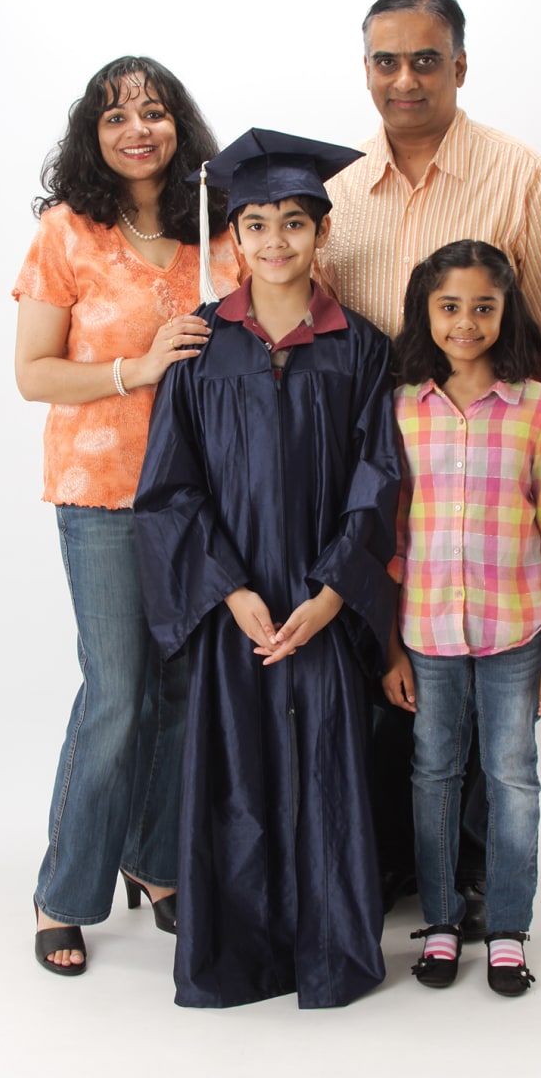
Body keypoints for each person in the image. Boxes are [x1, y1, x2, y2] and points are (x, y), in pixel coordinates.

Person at [316, 0, 541, 922]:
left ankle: (482, 876)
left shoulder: (520, 175)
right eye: (385, 61)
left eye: (425, 59)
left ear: (460, 65)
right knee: (394, 688)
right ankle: (405, 865)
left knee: (493, 719)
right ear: (366, 69)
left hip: (488, 480)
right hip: (377, 482)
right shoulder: (337, 192)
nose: (405, 79)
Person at [133, 129, 401, 1008]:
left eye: (295, 221)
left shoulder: (360, 349)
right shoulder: (200, 346)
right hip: (237, 606)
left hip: (319, 601)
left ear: (323, 235)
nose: (277, 240)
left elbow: (378, 478)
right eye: (257, 224)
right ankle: (239, 956)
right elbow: (170, 488)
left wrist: (332, 595)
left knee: (326, 762)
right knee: (237, 770)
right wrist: (228, 588)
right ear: (235, 239)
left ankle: (329, 952)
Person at [13, 56, 238, 976]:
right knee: (118, 694)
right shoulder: (67, 233)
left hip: (201, 496)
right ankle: (63, 891)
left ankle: (155, 860)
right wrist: (135, 370)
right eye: (115, 116)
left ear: (179, 125)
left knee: (184, 693)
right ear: (93, 135)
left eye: (153, 111)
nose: (136, 128)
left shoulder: (213, 232)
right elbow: (33, 374)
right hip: (102, 493)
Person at [382, 239, 541, 996]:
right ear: (424, 312)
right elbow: (393, 541)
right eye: (448, 306)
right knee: (432, 771)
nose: (466, 321)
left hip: (515, 632)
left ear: (507, 311)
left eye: (483, 306)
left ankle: (506, 926)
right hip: (428, 634)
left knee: (512, 776)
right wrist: (391, 648)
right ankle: (440, 921)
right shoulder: (404, 406)